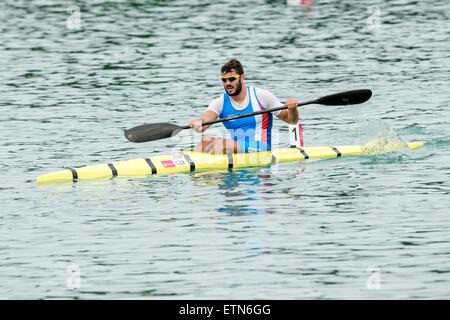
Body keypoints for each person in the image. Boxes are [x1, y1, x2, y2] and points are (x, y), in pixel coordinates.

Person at [189, 59, 299, 154]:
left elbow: (291, 120)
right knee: (205, 141)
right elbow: (204, 122)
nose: (228, 83)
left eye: (232, 79)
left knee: (219, 145)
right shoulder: (220, 102)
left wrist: (293, 109)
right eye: (224, 80)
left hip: (261, 148)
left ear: (242, 77)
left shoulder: (261, 96)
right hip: (234, 148)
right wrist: (198, 124)